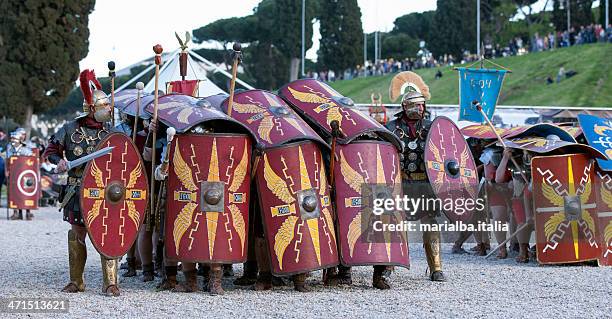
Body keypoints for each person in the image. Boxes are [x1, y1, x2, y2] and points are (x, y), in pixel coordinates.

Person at [43, 69, 120, 296]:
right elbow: (51, 150)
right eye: (104, 106)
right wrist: (59, 162)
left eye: (108, 105)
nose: (108, 109)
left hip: (106, 190)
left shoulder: (112, 132)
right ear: (92, 108)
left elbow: (124, 158)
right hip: (77, 187)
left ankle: (110, 283)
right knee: (77, 233)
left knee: (107, 232)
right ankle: (76, 281)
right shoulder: (70, 129)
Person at [386, 90, 446, 282]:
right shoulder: (391, 128)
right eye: (415, 105)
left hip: (426, 184)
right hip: (400, 183)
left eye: (422, 105)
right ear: (405, 106)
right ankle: (388, 265)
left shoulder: (432, 128)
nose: (420, 108)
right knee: (394, 222)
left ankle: (436, 268)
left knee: (430, 222)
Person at [6, 130, 34, 220]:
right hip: (14, 175)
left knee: (26, 192)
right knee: (14, 193)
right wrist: (7, 171)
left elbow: (31, 162)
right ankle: (16, 212)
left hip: (25, 175)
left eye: (14, 138)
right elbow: (7, 162)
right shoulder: (9, 150)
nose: (13, 140)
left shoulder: (26, 150)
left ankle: (28, 212)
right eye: (12, 139)